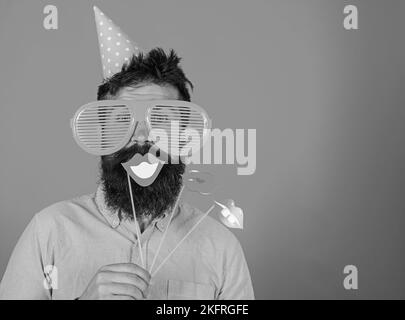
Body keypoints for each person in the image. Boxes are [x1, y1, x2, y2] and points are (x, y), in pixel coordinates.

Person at [0, 48, 254, 300]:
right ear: (102, 135)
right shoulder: (49, 231)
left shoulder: (221, 248)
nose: (142, 137)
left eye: (162, 120)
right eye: (122, 120)